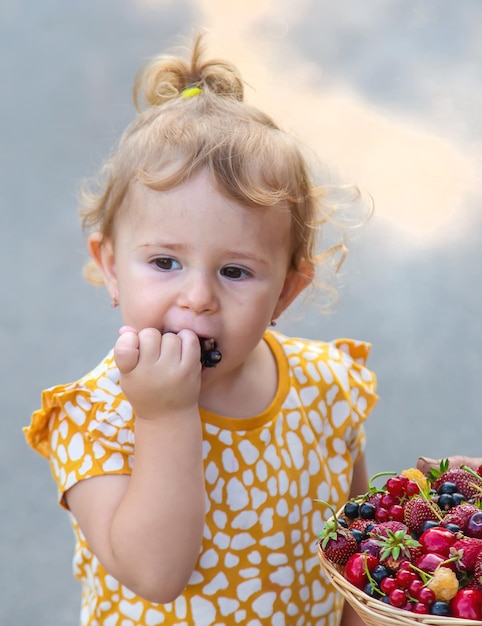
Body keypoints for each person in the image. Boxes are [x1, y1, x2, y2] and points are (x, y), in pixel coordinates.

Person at [24, 34, 378, 626]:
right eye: (165, 263)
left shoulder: (328, 388)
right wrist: (164, 416)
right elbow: (157, 574)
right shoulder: (96, 418)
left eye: (235, 271)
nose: (197, 298)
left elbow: (353, 553)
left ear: (285, 291)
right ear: (111, 267)